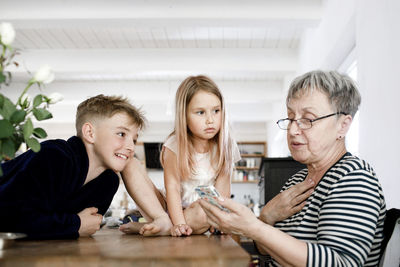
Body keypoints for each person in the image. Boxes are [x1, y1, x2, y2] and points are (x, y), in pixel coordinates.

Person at [199, 70, 386, 266]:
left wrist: (255, 227)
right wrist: (266, 218)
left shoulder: (354, 178)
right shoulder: (297, 181)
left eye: (308, 119)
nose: (293, 130)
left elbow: (340, 264)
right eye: (290, 118)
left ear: (343, 125)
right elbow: (266, 250)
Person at [0, 94, 145, 239]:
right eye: (121, 134)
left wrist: (73, 225)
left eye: (134, 139)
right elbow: (8, 217)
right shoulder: (52, 156)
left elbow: (86, 226)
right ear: (90, 133)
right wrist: (74, 224)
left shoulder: (108, 183)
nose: (131, 147)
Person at [120, 75, 240, 237]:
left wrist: (219, 221)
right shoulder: (174, 145)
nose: (210, 120)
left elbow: (222, 193)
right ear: (184, 116)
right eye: (200, 113)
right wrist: (179, 224)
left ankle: (159, 228)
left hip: (199, 212)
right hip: (166, 208)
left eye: (216, 111)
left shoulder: (226, 146)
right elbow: (173, 188)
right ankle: (163, 223)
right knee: (130, 164)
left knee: (204, 211)